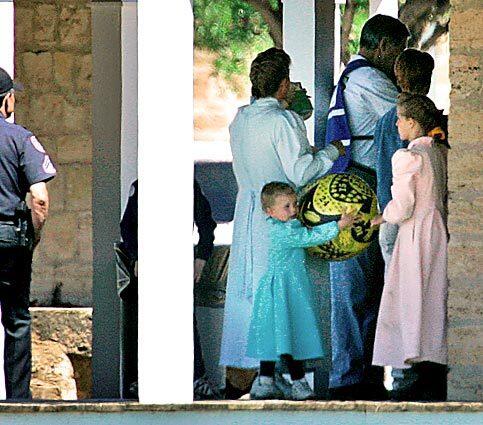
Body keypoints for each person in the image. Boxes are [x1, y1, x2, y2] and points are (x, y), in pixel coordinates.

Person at [220, 48, 344, 393]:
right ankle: (293, 376)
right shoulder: (283, 121)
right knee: (285, 296)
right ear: (284, 84)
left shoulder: (241, 119)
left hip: (249, 211)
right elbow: (300, 170)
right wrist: (332, 151)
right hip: (282, 214)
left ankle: (264, 375)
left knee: (255, 294)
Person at [324, 15, 410, 400]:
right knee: (355, 288)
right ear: (383, 47)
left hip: (360, 182)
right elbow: (413, 114)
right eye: (399, 50)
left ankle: (365, 373)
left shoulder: (355, 75)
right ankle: (350, 377)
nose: (399, 59)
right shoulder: (369, 79)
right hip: (359, 184)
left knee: (368, 287)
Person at [371, 93, 450, 401]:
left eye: (400, 119)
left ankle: (415, 363)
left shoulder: (407, 157)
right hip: (437, 229)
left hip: (415, 232)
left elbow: (403, 206)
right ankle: (433, 363)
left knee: (412, 298)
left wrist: (383, 216)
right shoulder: (438, 152)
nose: (396, 123)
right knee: (433, 297)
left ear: (412, 123)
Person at [246, 182, 356, 400]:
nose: (294, 210)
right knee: (287, 337)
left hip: (289, 290)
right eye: (286, 207)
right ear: (270, 212)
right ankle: (297, 383)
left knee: (281, 336)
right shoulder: (282, 232)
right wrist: (339, 225)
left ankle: (266, 380)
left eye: (294, 204)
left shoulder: (287, 226)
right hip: (282, 292)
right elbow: (309, 237)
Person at [0, 67, 56, 399]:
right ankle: (18, 401)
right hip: (9, 239)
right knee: (16, 320)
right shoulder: (20, 138)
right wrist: (33, 237)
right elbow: (40, 197)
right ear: (5, 100)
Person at [375, 49, 435, 274]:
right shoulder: (428, 119)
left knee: (394, 265)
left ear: (398, 79)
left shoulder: (385, 120)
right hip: (420, 211)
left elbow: (381, 164)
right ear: (427, 80)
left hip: (389, 204)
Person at [193, 179, 220, 400]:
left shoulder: (187, 184)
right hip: (146, 265)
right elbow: (128, 224)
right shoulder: (141, 184)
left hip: (179, 260)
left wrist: (201, 257)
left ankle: (196, 376)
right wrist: (136, 256)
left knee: (186, 322)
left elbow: (205, 224)